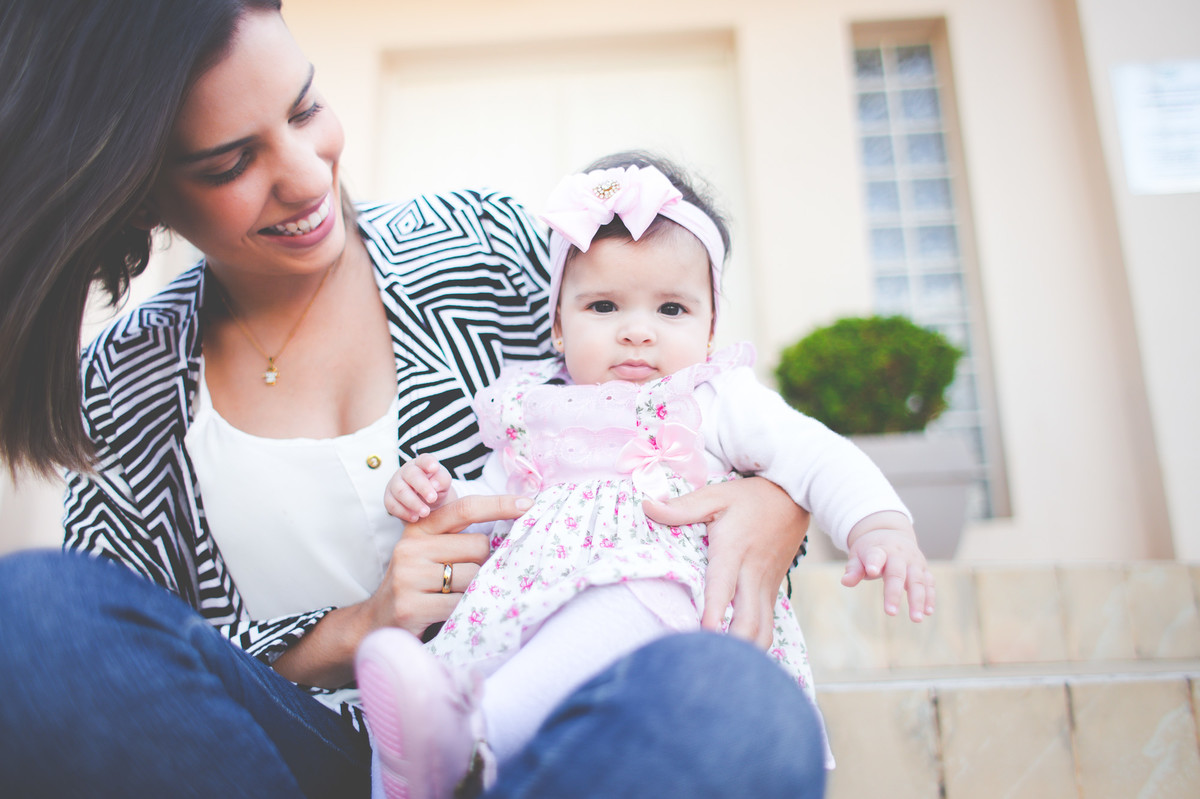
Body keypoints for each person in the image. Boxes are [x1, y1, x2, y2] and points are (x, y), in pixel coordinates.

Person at [0, 2, 834, 796]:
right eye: (231, 162)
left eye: (304, 109)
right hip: (289, 756)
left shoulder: (485, 247)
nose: (303, 175)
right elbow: (135, 667)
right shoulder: (124, 379)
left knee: (737, 704)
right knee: (33, 615)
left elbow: (686, 417)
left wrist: (779, 495)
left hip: (549, 740)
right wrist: (357, 629)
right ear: (142, 187)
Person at [360, 153, 936, 798]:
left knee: (629, 596)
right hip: (525, 608)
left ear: (712, 326)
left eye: (671, 310)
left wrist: (879, 523)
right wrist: (433, 493)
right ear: (557, 322)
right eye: (604, 306)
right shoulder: (529, 407)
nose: (637, 332)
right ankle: (428, 765)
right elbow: (490, 499)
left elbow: (816, 454)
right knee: (440, 675)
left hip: (661, 597)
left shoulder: (713, 397)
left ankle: (472, 738)